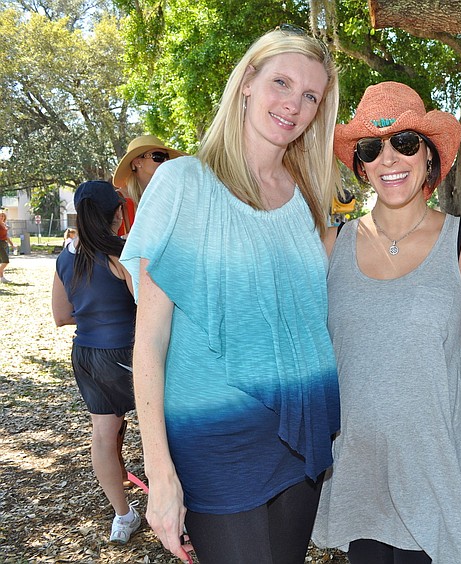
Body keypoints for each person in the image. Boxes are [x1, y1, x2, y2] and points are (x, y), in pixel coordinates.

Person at [120, 27, 340, 563]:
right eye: (281, 82)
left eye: (310, 96)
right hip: (216, 443)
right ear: (246, 82)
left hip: (299, 436)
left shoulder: (307, 198)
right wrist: (161, 472)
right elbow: (149, 342)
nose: (293, 104)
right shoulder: (182, 184)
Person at [312, 81, 461, 563]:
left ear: (430, 156)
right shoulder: (331, 247)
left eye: (406, 143)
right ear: (360, 165)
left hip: (437, 464)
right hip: (361, 468)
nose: (389, 159)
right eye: (372, 149)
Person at [51, 181, 140, 544]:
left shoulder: (65, 256)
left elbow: (60, 316)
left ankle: (122, 517)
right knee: (157, 430)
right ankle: (175, 507)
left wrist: (94, 314)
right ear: (117, 214)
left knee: (103, 435)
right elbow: (148, 306)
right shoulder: (122, 252)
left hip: (86, 353)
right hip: (128, 353)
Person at [112, 135, 186, 233]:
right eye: (158, 156)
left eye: (167, 157)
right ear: (137, 162)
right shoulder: (118, 201)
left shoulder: (172, 196)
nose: (165, 161)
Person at [0, 211, 15, 283]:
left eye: (3, 216)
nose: (2, 217)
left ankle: (2, 278)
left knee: (2, 261)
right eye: (0, 216)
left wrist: (12, 245)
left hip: (4, 244)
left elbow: (6, 237)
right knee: (5, 261)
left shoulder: (4, 225)